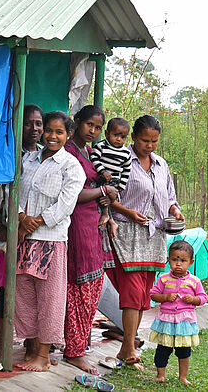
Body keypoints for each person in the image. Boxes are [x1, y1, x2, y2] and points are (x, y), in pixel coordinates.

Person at [109, 114, 184, 365]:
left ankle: (126, 349)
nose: (149, 145)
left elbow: (170, 197)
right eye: (144, 140)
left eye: (154, 141)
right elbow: (109, 196)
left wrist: (175, 210)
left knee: (143, 294)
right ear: (133, 138)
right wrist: (127, 211)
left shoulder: (161, 164)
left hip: (155, 236)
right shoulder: (121, 161)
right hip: (127, 232)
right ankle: (129, 348)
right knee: (131, 290)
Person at [14, 111, 85, 372]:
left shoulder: (71, 166)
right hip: (25, 238)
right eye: (49, 130)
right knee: (24, 297)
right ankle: (31, 351)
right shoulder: (28, 159)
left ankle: (44, 356)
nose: (52, 136)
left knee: (50, 299)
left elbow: (66, 204)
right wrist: (21, 217)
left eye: (59, 132)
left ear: (68, 135)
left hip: (50, 239)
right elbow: (17, 191)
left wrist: (37, 221)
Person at [0, 104, 43, 359]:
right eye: (29, 123)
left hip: (38, 240)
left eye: (38, 123)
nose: (35, 129)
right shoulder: (8, 156)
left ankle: (31, 346)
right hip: (10, 242)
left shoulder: (46, 155)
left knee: (34, 292)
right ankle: (1, 345)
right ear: (18, 125)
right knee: (7, 292)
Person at [62, 105, 119, 375]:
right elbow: (73, 195)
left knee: (92, 289)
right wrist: (102, 190)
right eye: (89, 126)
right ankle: (73, 351)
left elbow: (96, 188)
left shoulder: (90, 152)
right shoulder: (69, 152)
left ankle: (78, 346)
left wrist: (105, 196)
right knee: (80, 290)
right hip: (78, 227)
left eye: (98, 128)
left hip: (93, 225)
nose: (93, 132)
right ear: (77, 122)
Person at [149, 240, 207, 385]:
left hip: (184, 322)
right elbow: (153, 295)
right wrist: (165, 297)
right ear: (168, 260)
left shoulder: (194, 281)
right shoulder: (163, 278)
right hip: (167, 321)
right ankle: (160, 375)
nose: (178, 264)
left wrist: (193, 299)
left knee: (184, 351)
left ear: (191, 262)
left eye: (183, 260)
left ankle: (183, 377)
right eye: (175, 260)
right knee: (163, 349)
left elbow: (203, 297)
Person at [90, 117, 132, 225]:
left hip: (115, 181)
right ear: (107, 133)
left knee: (109, 198)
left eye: (122, 137)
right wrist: (102, 171)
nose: (118, 139)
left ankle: (108, 216)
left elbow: (126, 171)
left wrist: (121, 188)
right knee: (103, 196)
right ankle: (105, 214)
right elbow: (94, 158)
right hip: (102, 177)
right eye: (115, 135)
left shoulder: (126, 153)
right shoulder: (101, 146)